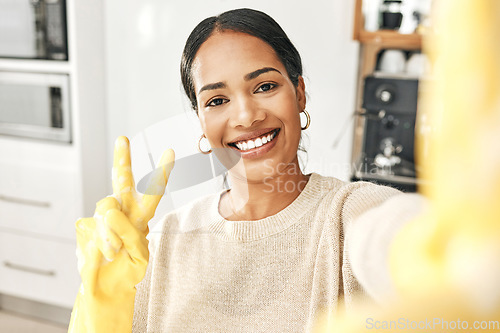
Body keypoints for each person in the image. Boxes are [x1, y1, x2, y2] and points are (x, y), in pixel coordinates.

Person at [69, 8, 425, 333]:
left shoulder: (352, 216)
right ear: (201, 121)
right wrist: (100, 309)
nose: (246, 116)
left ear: (299, 93)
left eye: (265, 86)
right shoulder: (159, 244)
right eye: (217, 100)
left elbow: (418, 249)